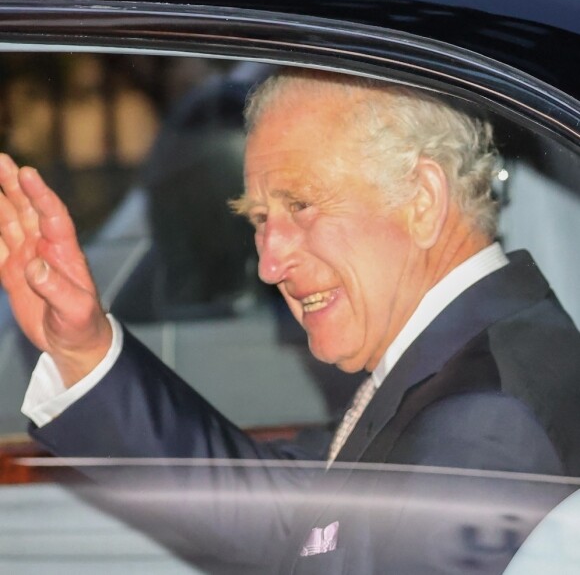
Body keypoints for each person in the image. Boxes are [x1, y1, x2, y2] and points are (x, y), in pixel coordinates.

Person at [1, 68, 580, 574]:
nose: (270, 263)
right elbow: (304, 520)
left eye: (300, 205)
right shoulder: (475, 360)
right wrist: (85, 350)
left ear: (423, 200)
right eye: (259, 218)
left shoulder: (478, 423)